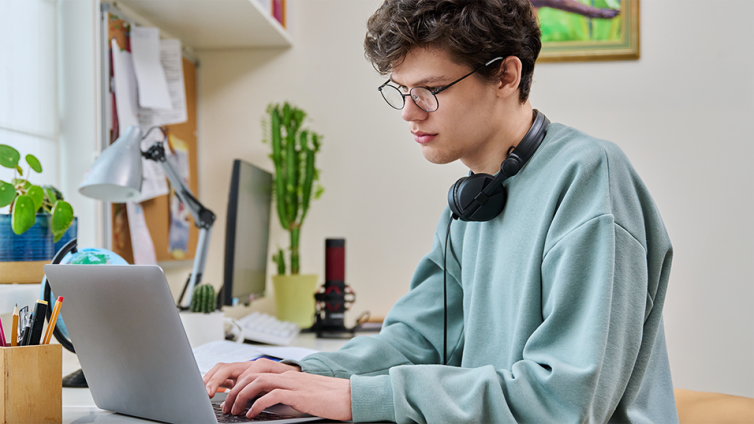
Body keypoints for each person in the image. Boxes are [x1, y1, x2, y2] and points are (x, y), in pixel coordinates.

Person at [203, 0, 679, 422]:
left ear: (506, 76)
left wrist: (356, 398)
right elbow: (414, 342)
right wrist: (298, 375)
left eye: (430, 89)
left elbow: (562, 405)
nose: (409, 112)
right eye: (401, 90)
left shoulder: (591, 177)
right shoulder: (472, 200)